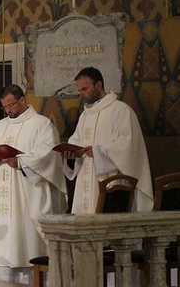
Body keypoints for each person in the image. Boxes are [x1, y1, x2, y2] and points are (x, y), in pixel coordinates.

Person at [0, 84, 67, 284]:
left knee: (26, 235)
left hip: (27, 191)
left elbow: (48, 154)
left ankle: (34, 283)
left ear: (22, 100)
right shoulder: (0, 126)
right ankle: (3, 281)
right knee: (5, 236)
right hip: (3, 191)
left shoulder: (41, 124)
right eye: (5, 107)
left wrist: (20, 162)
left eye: (11, 105)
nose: (9, 110)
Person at [63, 67, 153, 212]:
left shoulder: (121, 111)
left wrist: (99, 151)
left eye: (84, 89)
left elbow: (128, 146)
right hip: (85, 180)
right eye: (79, 91)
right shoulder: (86, 115)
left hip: (111, 182)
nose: (81, 94)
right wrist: (71, 155)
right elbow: (76, 140)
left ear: (98, 85)